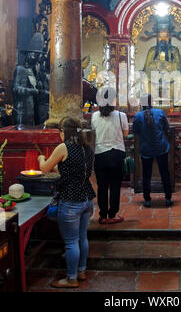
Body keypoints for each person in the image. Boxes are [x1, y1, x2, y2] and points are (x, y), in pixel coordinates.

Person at [38, 116, 96, 289]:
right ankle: (81, 271)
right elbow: (71, 168)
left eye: (60, 132)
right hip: (86, 199)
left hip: (71, 201)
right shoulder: (87, 148)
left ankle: (71, 279)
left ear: (64, 132)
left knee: (71, 242)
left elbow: (44, 169)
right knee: (82, 238)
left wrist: (41, 158)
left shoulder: (64, 147)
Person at [91, 86, 129, 224]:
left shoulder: (94, 116)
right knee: (114, 186)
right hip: (116, 153)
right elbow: (125, 134)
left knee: (102, 186)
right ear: (113, 99)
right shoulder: (121, 116)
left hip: (100, 154)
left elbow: (93, 134)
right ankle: (112, 214)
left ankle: (102, 216)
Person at [133, 93, 173, 208]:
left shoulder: (138, 116)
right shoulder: (160, 113)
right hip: (161, 147)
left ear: (141, 103)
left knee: (146, 175)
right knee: (165, 173)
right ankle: (168, 198)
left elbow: (136, 131)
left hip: (146, 149)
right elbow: (166, 128)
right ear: (151, 102)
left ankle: (147, 200)